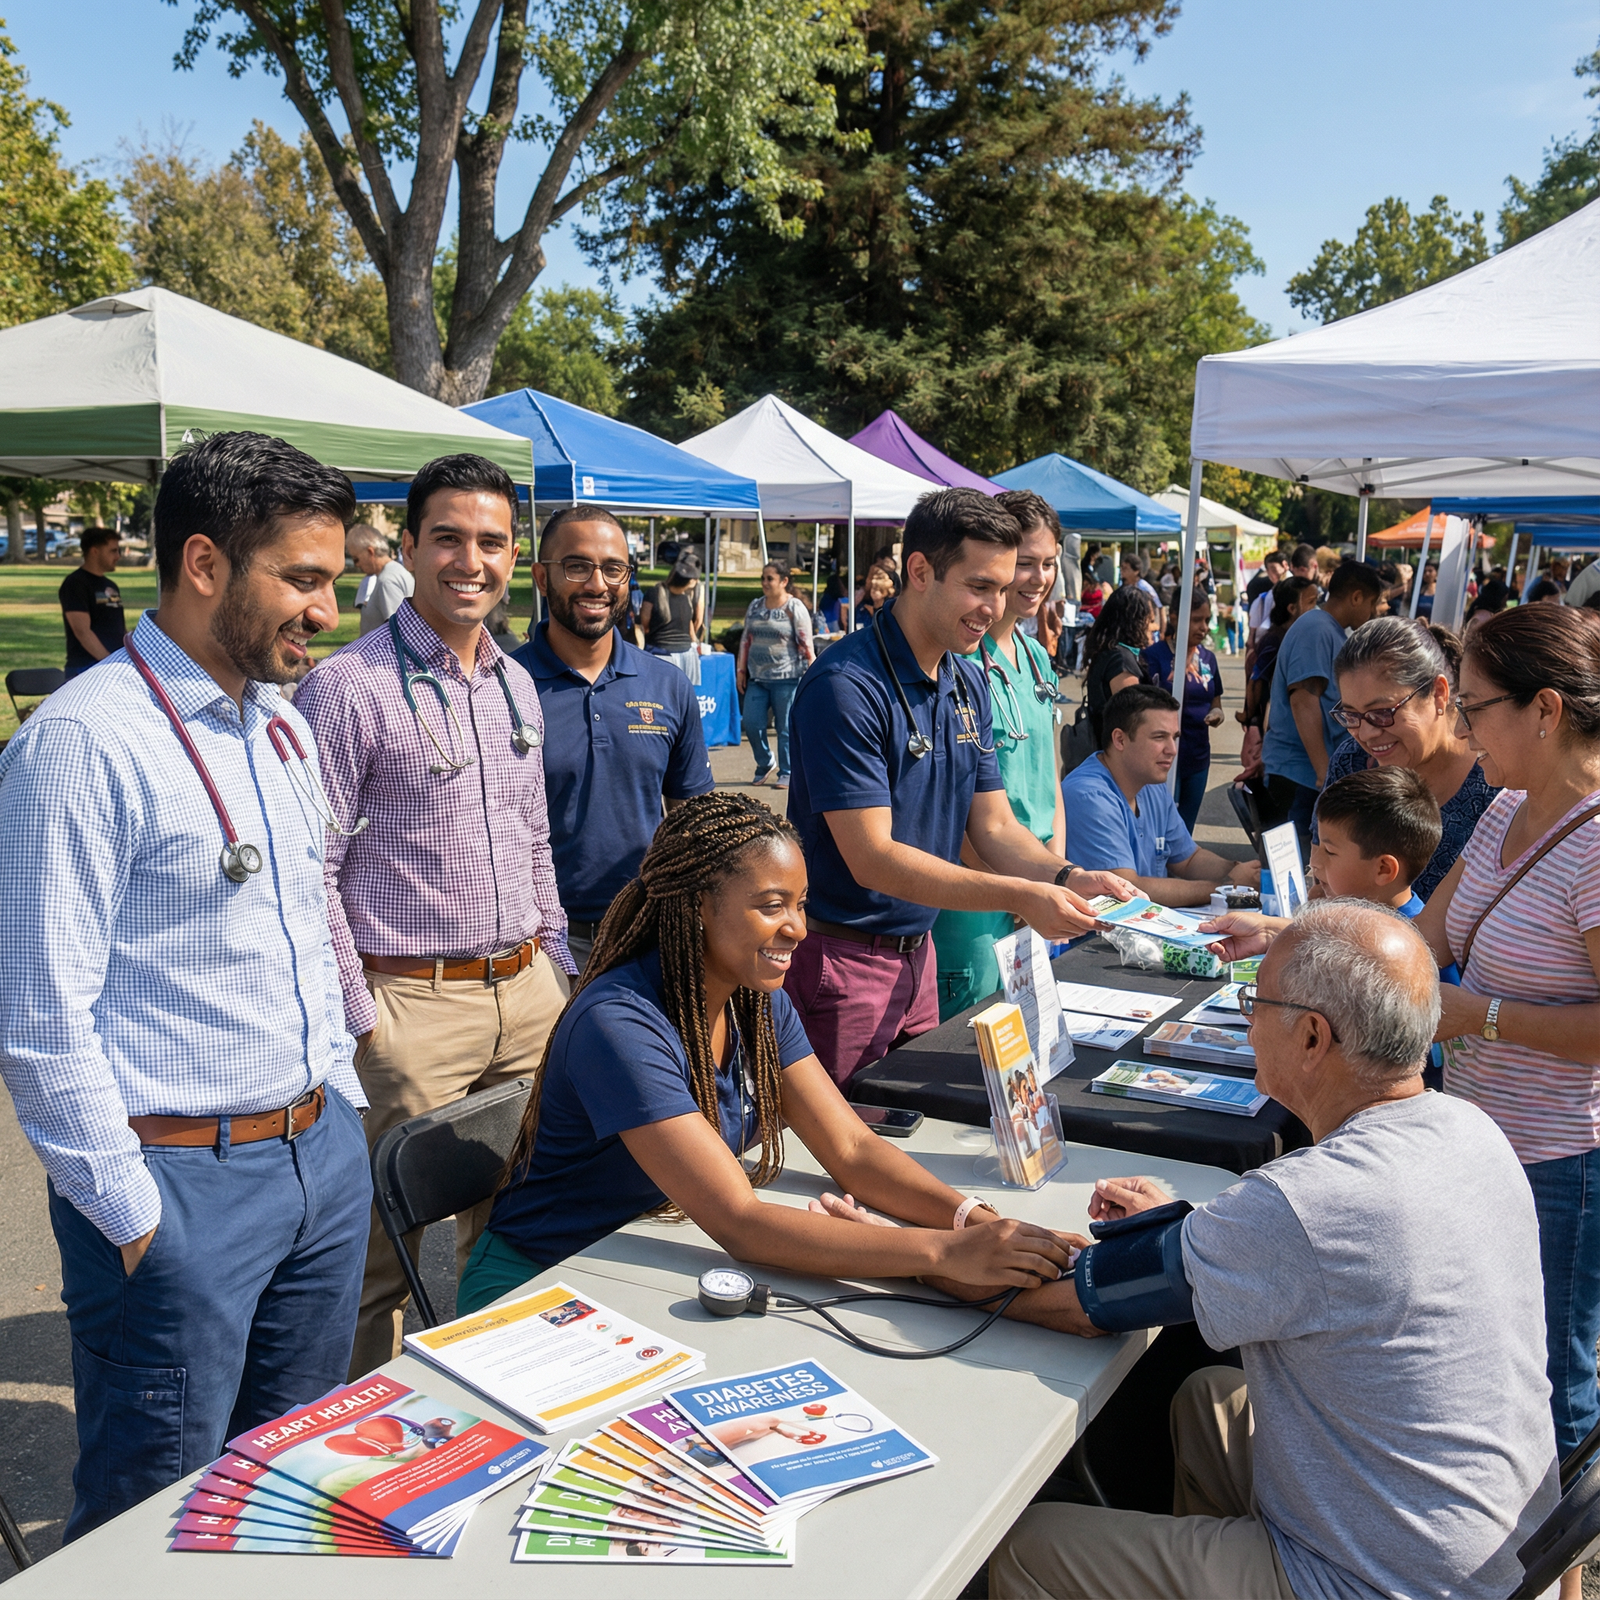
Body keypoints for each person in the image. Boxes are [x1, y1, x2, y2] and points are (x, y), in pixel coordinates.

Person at [0, 432, 372, 1538]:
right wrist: (132, 1218)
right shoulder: (80, 744)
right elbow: (38, 1020)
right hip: (179, 1189)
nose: (329, 609)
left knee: (291, 1486)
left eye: (335, 580)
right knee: (151, 1516)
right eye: (302, 578)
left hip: (319, 1158)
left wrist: (338, 1105)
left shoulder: (282, 724)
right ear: (205, 564)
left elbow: (302, 928)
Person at [982, 900, 1558, 1600]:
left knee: (1032, 1548)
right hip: (1487, 1550)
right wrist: (1188, 1228)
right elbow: (1321, 1254)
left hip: (1381, 1581)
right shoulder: (1470, 1129)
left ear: (1313, 1037)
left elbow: (1083, 1305)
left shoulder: (1310, 1201)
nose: (1247, 1019)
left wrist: (930, 1258)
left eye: (1256, 1000)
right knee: (1206, 1403)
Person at [455, 793, 1075, 1313]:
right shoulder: (618, 1025)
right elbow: (741, 1223)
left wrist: (974, 1221)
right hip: (543, 1285)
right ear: (699, 906)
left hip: (642, 1257)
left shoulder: (755, 998)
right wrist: (943, 1255)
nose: (799, 929)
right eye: (771, 906)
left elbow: (853, 1150)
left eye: (801, 904)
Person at [293, 453, 572, 1378]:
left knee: (522, 1229)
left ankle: (503, 1408)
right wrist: (362, 1016)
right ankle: (363, 1468)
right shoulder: (348, 688)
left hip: (526, 993)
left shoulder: (514, 683)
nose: (470, 560)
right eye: (447, 537)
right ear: (407, 547)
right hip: (411, 1010)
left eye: (491, 541)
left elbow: (536, 841)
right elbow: (312, 867)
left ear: (513, 554)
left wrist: (556, 973)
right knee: (382, 1262)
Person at [785, 488, 1134, 1086]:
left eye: (1002, 588)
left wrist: (1065, 877)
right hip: (843, 963)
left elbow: (994, 826)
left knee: (922, 1132)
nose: (994, 607)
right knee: (837, 1159)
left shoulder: (967, 681)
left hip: (919, 958)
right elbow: (872, 858)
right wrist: (1018, 897)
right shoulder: (846, 686)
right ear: (919, 571)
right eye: (979, 586)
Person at [1413, 605, 1600, 1462]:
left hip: (1563, 1162)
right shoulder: (1502, 809)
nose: (1462, 726)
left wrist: (1478, 1017)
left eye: (1476, 706)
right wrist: (1304, 940)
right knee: (1496, 1368)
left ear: (1547, 710)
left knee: (1557, 1387)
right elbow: (1429, 942)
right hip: (1484, 1141)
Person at [515, 504, 714, 973]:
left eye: (613, 569)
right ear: (542, 578)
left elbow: (692, 819)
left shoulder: (667, 686)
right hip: (538, 947)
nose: (597, 584)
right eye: (577, 566)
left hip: (650, 937)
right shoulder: (503, 685)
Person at [931, 492, 1068, 1018]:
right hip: (979, 896)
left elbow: (1050, 776)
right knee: (963, 1045)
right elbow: (959, 802)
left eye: (1048, 564)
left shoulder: (1036, 658)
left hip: (1033, 886)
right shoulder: (961, 661)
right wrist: (1013, 891)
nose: (1037, 578)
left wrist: (1055, 870)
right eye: (1026, 563)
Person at [1320, 618, 1498, 900]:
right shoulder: (1351, 762)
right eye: (1351, 715)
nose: (1365, 733)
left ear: (1439, 694)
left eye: (1382, 712)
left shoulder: (1498, 780)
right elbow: (1322, 873)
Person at [1061, 685, 1258, 907]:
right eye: (1159, 737)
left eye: (1174, 737)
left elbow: (1189, 859)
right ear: (1120, 739)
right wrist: (1229, 888)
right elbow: (1126, 889)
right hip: (1096, 935)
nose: (1172, 749)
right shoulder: (1089, 796)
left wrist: (1244, 873)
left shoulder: (1149, 782)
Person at [1261, 558, 1385, 847]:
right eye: (1373, 603)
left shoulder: (1329, 630)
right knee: (1292, 867)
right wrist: (1323, 771)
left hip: (1306, 773)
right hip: (1299, 774)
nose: (1374, 611)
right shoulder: (1316, 628)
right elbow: (1303, 700)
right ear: (1356, 597)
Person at [1142, 592, 1222, 832]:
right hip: (1162, 757)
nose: (1204, 627)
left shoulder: (1208, 659)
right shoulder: (1153, 657)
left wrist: (1217, 713)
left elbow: (1215, 700)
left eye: (1207, 620)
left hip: (1198, 757)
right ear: (1176, 618)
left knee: (1185, 829)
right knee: (1160, 827)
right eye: (1197, 619)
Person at [737, 557, 814, 787]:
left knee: (786, 728)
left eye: (770, 578)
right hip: (758, 677)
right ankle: (765, 762)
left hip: (787, 677)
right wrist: (741, 670)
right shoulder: (755, 606)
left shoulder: (794, 608)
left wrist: (811, 670)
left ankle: (788, 771)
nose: (765, 582)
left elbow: (806, 642)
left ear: (784, 581)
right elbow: (745, 639)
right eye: (763, 578)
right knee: (751, 723)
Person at [1237, 574, 1319, 779]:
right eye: (1311, 602)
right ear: (1292, 609)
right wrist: (1251, 717)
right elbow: (1256, 681)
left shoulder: (1296, 635)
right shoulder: (1275, 640)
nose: (1317, 609)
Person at [1079, 585, 1155, 748]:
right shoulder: (1121, 660)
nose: (1152, 628)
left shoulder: (1109, 652)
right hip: (1118, 754)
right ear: (1137, 622)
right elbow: (1131, 715)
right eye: (1150, 621)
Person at [58, 525, 124, 677]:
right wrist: (108, 662)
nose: (118, 556)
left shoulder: (111, 586)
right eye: (113, 551)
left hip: (113, 666)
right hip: (86, 667)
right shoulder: (75, 583)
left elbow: (119, 627)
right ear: (95, 551)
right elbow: (82, 631)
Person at [639, 551, 704, 684]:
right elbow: (642, 624)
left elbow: (644, 623)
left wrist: (695, 641)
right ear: (690, 580)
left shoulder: (683, 597)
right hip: (666, 655)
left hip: (673, 654)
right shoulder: (657, 593)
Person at [346, 522, 414, 635]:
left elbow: (399, 631)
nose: (356, 565)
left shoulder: (387, 581)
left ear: (370, 552)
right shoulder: (396, 571)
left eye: (356, 559)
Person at [1118, 549, 1162, 628]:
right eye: (1121, 568)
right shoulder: (1122, 585)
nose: (1122, 571)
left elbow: (1159, 607)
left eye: (1125, 568)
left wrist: (1162, 631)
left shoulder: (1144, 587)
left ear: (1136, 571)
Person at [853, 563, 896, 628]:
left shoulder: (891, 610)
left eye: (878, 589)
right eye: (873, 588)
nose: (873, 592)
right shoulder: (863, 608)